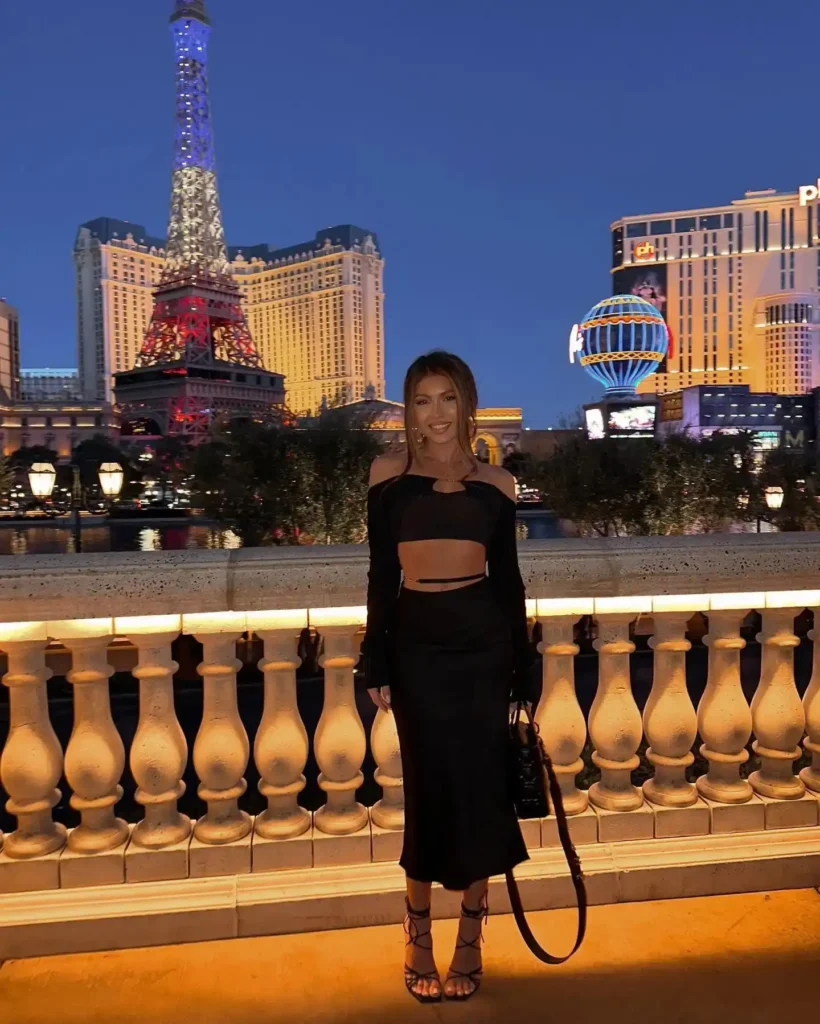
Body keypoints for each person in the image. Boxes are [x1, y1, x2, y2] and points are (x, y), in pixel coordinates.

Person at [358, 350, 536, 1003]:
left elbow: (511, 583)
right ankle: (417, 935)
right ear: (411, 409)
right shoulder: (386, 475)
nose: (435, 414)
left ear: (466, 403)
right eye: (423, 400)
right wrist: (373, 657)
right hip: (416, 645)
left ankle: (469, 940)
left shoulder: (498, 482)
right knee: (430, 791)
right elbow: (381, 575)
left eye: (448, 398)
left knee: (481, 792)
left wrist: (525, 666)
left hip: (483, 644)